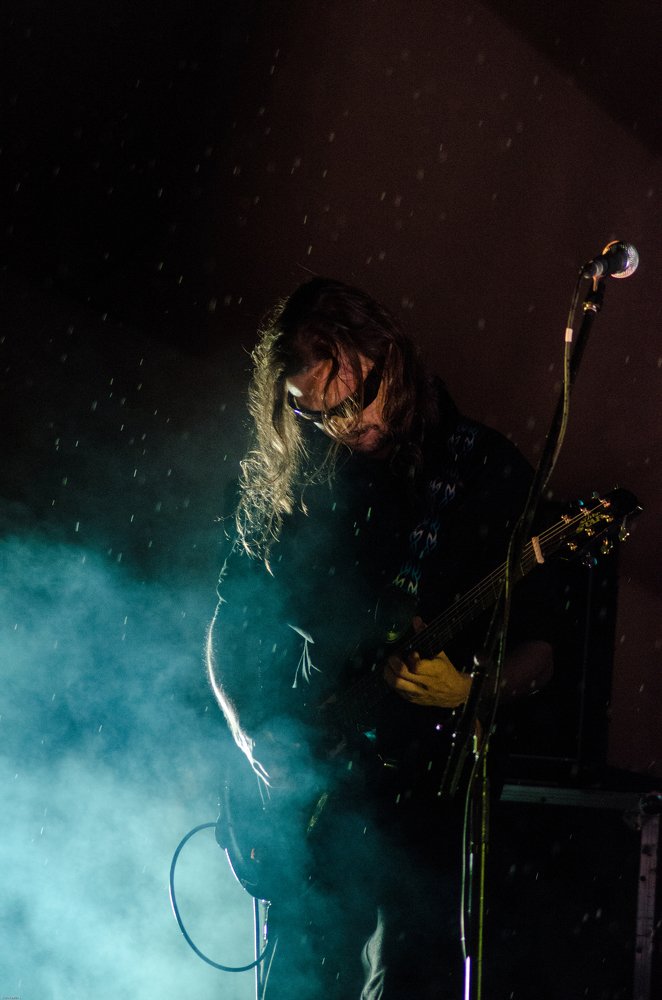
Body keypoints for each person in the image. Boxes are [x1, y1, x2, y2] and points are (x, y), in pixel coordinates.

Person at [206, 277, 557, 999]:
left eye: (350, 402)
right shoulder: (290, 475)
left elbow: (545, 651)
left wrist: (472, 689)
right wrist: (250, 734)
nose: (339, 425)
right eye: (311, 412)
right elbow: (229, 624)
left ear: (389, 355)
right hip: (317, 791)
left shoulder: (485, 471)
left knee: (413, 980)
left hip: (427, 801)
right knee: (301, 979)